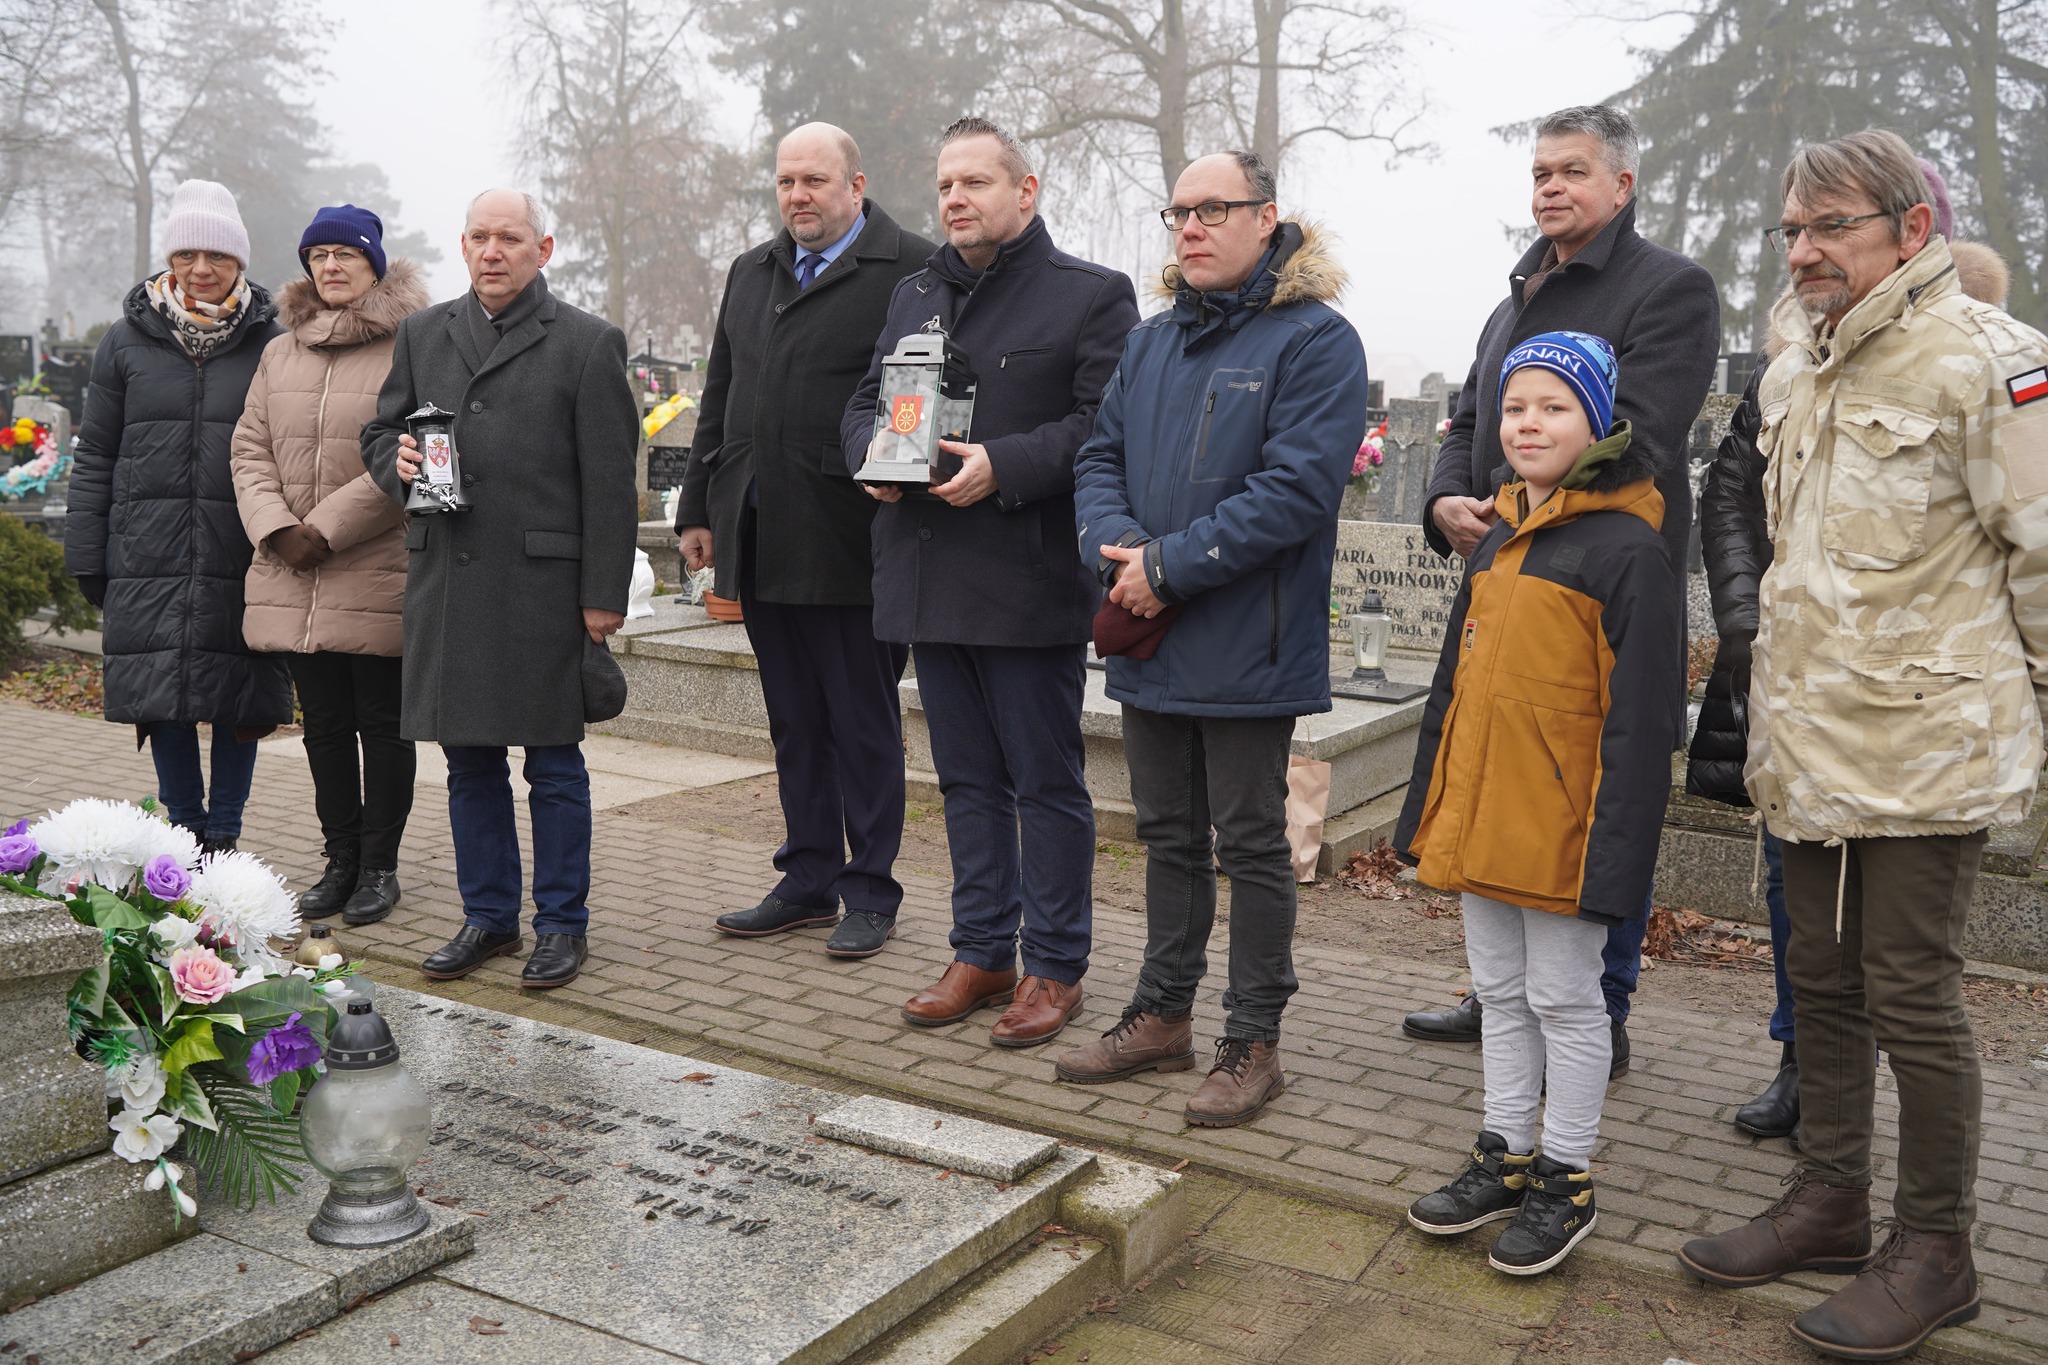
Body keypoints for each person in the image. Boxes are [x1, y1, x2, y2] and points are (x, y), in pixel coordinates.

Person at [1677, 130, 2048, 1361]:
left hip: (1926, 749)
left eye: (1829, 224)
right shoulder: (1795, 370)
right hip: (1809, 739)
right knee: (1818, 980)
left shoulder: (1998, 366)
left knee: (1910, 994)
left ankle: (1935, 1249)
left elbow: (2043, 559)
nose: (1802, 249)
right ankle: (1829, 1201)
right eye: (1790, 227)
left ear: (1910, 229)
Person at [1401, 105, 1720, 1071]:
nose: (1550, 187)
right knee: (1506, 779)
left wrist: (1508, 502)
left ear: (1622, 186)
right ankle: (1502, 998)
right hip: (1509, 574)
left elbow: (1639, 432)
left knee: (1593, 790)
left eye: (1572, 171)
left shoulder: (1670, 290)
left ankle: (1596, 1013)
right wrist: (1447, 496)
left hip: (1608, 592)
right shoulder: (1515, 300)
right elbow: (1469, 417)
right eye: (1540, 171)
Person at [1061, 150, 1366, 1124]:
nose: (1189, 227)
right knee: (1163, 837)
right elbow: (1098, 456)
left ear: (1266, 216)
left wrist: (1165, 568)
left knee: (1247, 843)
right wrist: (1114, 553)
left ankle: (1252, 1039)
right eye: (1178, 212)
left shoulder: (1315, 341)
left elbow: (1294, 490)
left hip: (1246, 640)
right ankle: (1160, 1013)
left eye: (1211, 209)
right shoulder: (1151, 344)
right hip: (1151, 634)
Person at [841, 117, 1138, 1029]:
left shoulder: (1089, 295)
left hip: (1026, 577)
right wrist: (873, 459)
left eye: (975, 183)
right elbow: (864, 400)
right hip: (928, 575)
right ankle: (981, 953)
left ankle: (1054, 964)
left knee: (1044, 784)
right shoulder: (916, 293)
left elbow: (1103, 425)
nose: (956, 200)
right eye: (944, 186)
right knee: (965, 781)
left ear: (1027, 190)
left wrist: (1004, 463)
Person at [1395, 332, 1681, 1277]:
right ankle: (1505, 1150)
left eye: (1554, 407)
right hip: (1485, 820)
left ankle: (1568, 1172)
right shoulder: (1498, 539)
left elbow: (1640, 730)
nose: (1527, 423)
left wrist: (1615, 861)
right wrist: (1426, 816)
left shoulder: (1627, 551)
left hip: (1565, 832)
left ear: (1597, 423)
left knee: (1566, 998)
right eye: (1516, 407)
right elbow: (1455, 692)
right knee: (1503, 996)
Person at [362, 189, 638, 990]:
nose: (493, 251)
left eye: (509, 238)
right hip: (448, 579)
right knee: (468, 763)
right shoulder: (423, 331)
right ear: (463, 244)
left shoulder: (587, 343)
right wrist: (397, 463)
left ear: (542, 249)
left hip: (544, 590)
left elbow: (611, 485)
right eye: (479, 236)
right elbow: (382, 430)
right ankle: (488, 916)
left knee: (552, 767)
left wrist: (603, 597)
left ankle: (562, 925)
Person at [684, 125, 935, 959]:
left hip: (850, 531)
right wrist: (698, 507)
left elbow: (922, 385)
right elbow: (720, 392)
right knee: (794, 720)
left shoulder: (911, 269)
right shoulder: (750, 272)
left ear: (855, 184)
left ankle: (870, 889)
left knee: (861, 722)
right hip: (758, 528)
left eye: (816, 181)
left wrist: (902, 469)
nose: (799, 196)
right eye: (787, 180)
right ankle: (807, 875)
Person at [65, 180, 292, 851]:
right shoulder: (125, 342)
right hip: (147, 551)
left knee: (239, 698)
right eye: (188, 252)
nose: (202, 268)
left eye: (216, 255)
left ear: (239, 262)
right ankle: (183, 832)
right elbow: (96, 453)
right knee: (160, 695)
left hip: (239, 549)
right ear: (170, 257)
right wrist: (86, 553)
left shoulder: (271, 344)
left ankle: (224, 834)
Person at [232, 206, 429, 927]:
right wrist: (277, 527)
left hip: (376, 562)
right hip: (293, 567)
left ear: (376, 262)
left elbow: (412, 452)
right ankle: (338, 858)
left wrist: (326, 527)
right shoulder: (279, 352)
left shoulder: (413, 344)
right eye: (318, 255)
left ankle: (380, 866)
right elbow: (249, 447)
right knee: (321, 725)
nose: (331, 266)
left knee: (382, 723)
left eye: (347, 253)